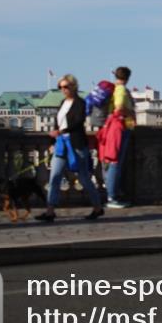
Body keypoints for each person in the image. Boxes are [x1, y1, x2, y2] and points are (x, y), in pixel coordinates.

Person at [36, 74, 103, 222]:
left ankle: (98, 207)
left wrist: (61, 131)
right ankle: (50, 211)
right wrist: (53, 141)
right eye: (60, 87)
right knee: (54, 176)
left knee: (84, 179)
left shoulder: (80, 103)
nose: (63, 89)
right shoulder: (62, 102)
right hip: (61, 144)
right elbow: (57, 123)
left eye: (65, 86)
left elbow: (78, 122)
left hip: (76, 144)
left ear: (73, 86)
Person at [104, 67, 136, 209]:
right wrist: (132, 114)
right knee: (115, 162)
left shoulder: (115, 89)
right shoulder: (121, 89)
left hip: (116, 128)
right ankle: (112, 196)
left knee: (114, 162)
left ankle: (114, 193)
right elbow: (119, 108)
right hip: (120, 129)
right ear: (128, 78)